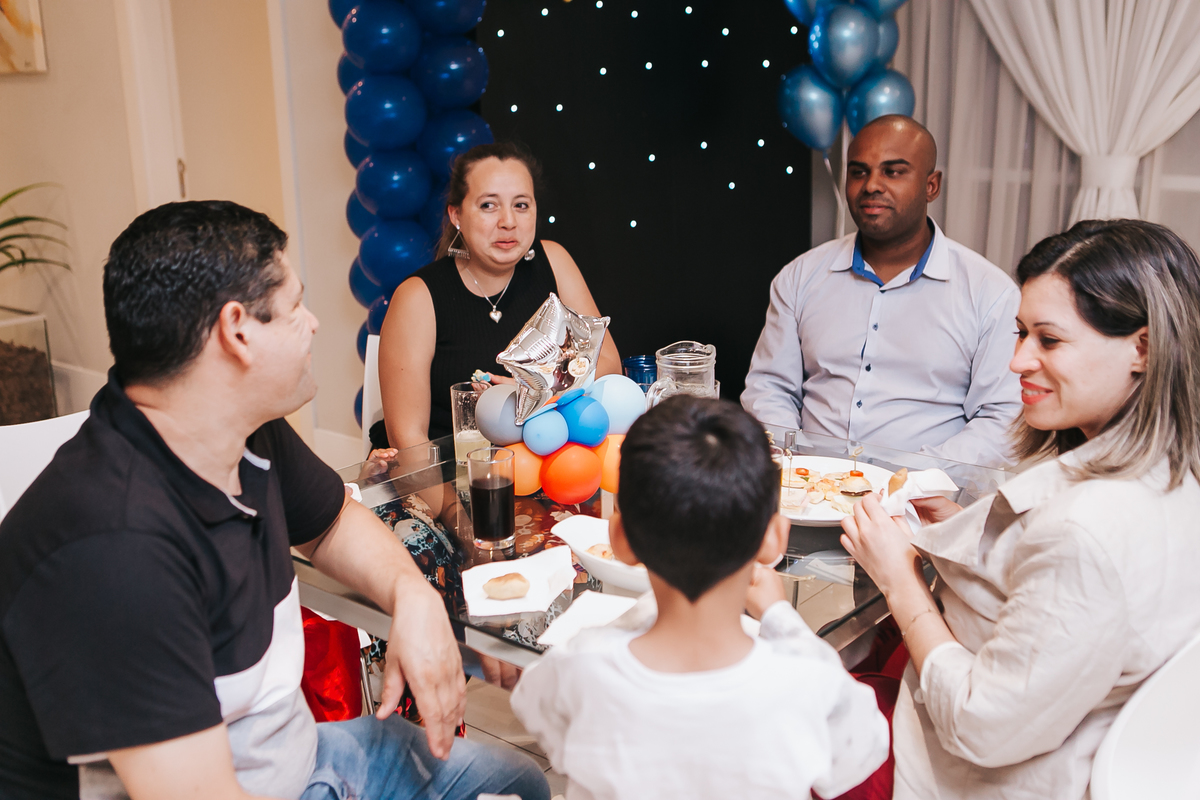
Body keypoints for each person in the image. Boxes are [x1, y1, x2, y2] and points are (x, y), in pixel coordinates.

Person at [0, 201, 549, 800]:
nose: (313, 324)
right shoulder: (113, 550)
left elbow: (332, 522)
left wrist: (412, 596)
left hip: (303, 761)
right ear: (237, 331)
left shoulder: (236, 426)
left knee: (520, 783)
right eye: (295, 308)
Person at [840, 219, 1200, 799]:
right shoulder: (1173, 474)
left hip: (966, 774)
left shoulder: (1087, 532)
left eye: (1048, 340)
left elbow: (979, 728)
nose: (1018, 362)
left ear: (1143, 348)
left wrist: (898, 580)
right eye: (1020, 333)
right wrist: (963, 524)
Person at [510, 395, 889, 799]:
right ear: (775, 538)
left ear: (619, 538)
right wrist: (780, 616)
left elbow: (536, 712)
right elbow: (859, 753)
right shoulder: (811, 682)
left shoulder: (578, 666)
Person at [742, 115, 1021, 468]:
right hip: (809, 486)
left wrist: (912, 481)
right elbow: (770, 388)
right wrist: (792, 466)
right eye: (859, 172)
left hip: (926, 496)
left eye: (893, 171)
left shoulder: (990, 294)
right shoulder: (800, 276)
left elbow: (1002, 419)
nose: (871, 185)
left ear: (931, 186)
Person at [378, 142, 621, 450]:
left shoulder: (554, 261)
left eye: (521, 205)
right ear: (456, 214)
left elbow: (609, 363)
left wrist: (541, 386)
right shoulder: (418, 296)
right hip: (457, 469)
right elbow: (408, 438)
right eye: (488, 205)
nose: (508, 221)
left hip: (550, 461)